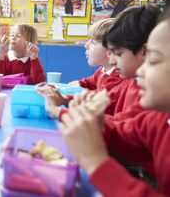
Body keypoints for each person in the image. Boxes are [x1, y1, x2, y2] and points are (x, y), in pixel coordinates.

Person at [59, 10, 170, 196]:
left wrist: (96, 163)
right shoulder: (161, 120)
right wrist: (88, 121)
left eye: (153, 60)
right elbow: (124, 130)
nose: (141, 71)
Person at [38, 18, 123, 117]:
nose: (86, 45)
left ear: (111, 50)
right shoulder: (103, 70)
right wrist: (59, 87)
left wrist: (63, 99)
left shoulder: (117, 77)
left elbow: (94, 101)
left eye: (93, 42)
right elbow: (86, 83)